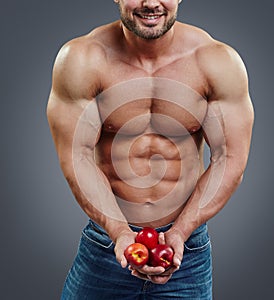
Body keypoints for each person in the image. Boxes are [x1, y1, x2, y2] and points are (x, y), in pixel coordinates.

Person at [47, 0, 254, 299]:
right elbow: (76, 157)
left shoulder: (216, 62)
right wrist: (119, 232)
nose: (151, 3)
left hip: (187, 251)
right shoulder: (82, 60)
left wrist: (180, 232)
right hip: (106, 244)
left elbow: (230, 159)